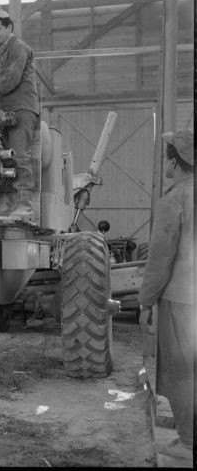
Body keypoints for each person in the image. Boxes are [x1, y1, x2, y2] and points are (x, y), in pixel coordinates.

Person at [137, 130, 194, 460]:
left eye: (166, 159)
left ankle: (188, 444)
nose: (165, 164)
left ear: (175, 161)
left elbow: (160, 260)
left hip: (182, 300)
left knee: (181, 373)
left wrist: (145, 302)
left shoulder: (174, 200)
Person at [0, 9, 40, 220]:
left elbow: (9, 80)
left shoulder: (18, 47)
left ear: (9, 28)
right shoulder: (2, 53)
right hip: (5, 112)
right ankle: (10, 205)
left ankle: (25, 206)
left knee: (19, 157)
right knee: (4, 160)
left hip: (21, 109)